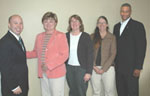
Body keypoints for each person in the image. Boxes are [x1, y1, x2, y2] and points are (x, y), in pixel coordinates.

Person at [26, 12, 69, 96]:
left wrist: (49, 65)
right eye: (46, 21)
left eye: (51, 21)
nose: (48, 23)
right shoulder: (39, 36)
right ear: (43, 23)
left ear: (55, 23)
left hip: (56, 73)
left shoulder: (61, 35)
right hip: (43, 72)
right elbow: (35, 53)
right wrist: (20, 53)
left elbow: (64, 55)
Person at [113, 3, 147, 96]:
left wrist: (138, 67)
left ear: (130, 12)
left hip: (132, 68)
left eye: (126, 11)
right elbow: (115, 46)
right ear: (120, 12)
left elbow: (141, 47)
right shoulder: (116, 27)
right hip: (119, 68)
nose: (124, 14)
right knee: (121, 91)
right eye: (122, 11)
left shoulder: (138, 26)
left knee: (132, 92)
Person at [0, 15, 29, 96]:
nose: (19, 26)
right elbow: (4, 66)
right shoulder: (5, 42)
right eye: (15, 23)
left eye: (21, 23)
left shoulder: (18, 38)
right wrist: (14, 86)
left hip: (21, 84)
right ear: (9, 25)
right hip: (13, 89)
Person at [66, 14, 94, 96]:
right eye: (72, 21)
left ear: (80, 23)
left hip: (81, 69)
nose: (74, 23)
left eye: (76, 21)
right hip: (69, 68)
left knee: (81, 92)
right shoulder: (65, 36)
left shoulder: (86, 36)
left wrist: (89, 72)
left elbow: (90, 55)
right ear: (70, 24)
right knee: (72, 91)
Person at [90, 16, 117, 96]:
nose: (101, 24)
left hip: (108, 69)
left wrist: (103, 69)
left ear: (107, 25)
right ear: (97, 25)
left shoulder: (112, 37)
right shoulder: (92, 37)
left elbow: (113, 54)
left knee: (109, 92)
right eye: (99, 23)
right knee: (96, 92)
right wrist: (94, 67)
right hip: (94, 68)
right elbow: (89, 53)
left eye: (103, 22)